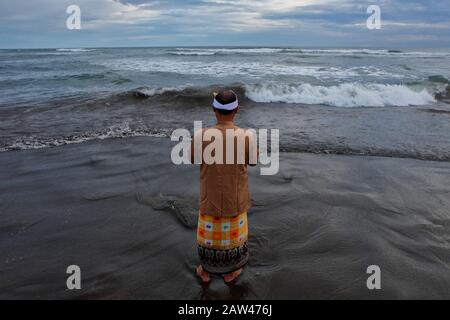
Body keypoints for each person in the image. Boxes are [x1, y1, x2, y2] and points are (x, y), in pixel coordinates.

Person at [191, 90, 257, 283]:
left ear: (214, 110)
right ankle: (231, 272)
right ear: (236, 110)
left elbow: (193, 158)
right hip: (235, 201)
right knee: (234, 239)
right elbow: (252, 161)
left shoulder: (201, 135)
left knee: (209, 238)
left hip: (209, 201)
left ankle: (206, 272)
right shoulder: (246, 136)